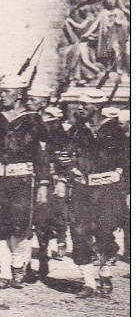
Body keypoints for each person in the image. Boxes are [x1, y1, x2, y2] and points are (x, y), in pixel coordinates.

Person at [0, 75, 50, 289]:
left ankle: (20, 265)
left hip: (22, 180)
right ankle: (5, 271)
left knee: (20, 225)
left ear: (19, 94)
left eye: (7, 92)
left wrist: (44, 183)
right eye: (1, 91)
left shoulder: (33, 120)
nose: (2, 96)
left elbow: (42, 154)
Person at [57, 88, 129, 298]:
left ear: (97, 107)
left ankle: (105, 272)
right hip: (82, 189)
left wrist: (124, 179)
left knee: (104, 231)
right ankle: (89, 282)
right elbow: (62, 153)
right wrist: (67, 170)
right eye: (79, 104)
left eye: (85, 105)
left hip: (109, 190)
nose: (80, 108)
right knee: (79, 231)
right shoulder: (76, 130)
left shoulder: (117, 131)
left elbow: (128, 158)